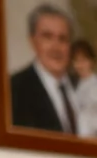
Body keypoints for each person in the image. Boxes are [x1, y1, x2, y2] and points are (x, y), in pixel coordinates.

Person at [9, 3, 78, 134]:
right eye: (47, 37)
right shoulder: (14, 89)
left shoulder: (81, 86)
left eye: (63, 39)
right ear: (33, 41)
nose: (56, 47)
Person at [69, 38, 97, 139]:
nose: (79, 65)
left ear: (91, 61)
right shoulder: (77, 84)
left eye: (83, 60)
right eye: (76, 61)